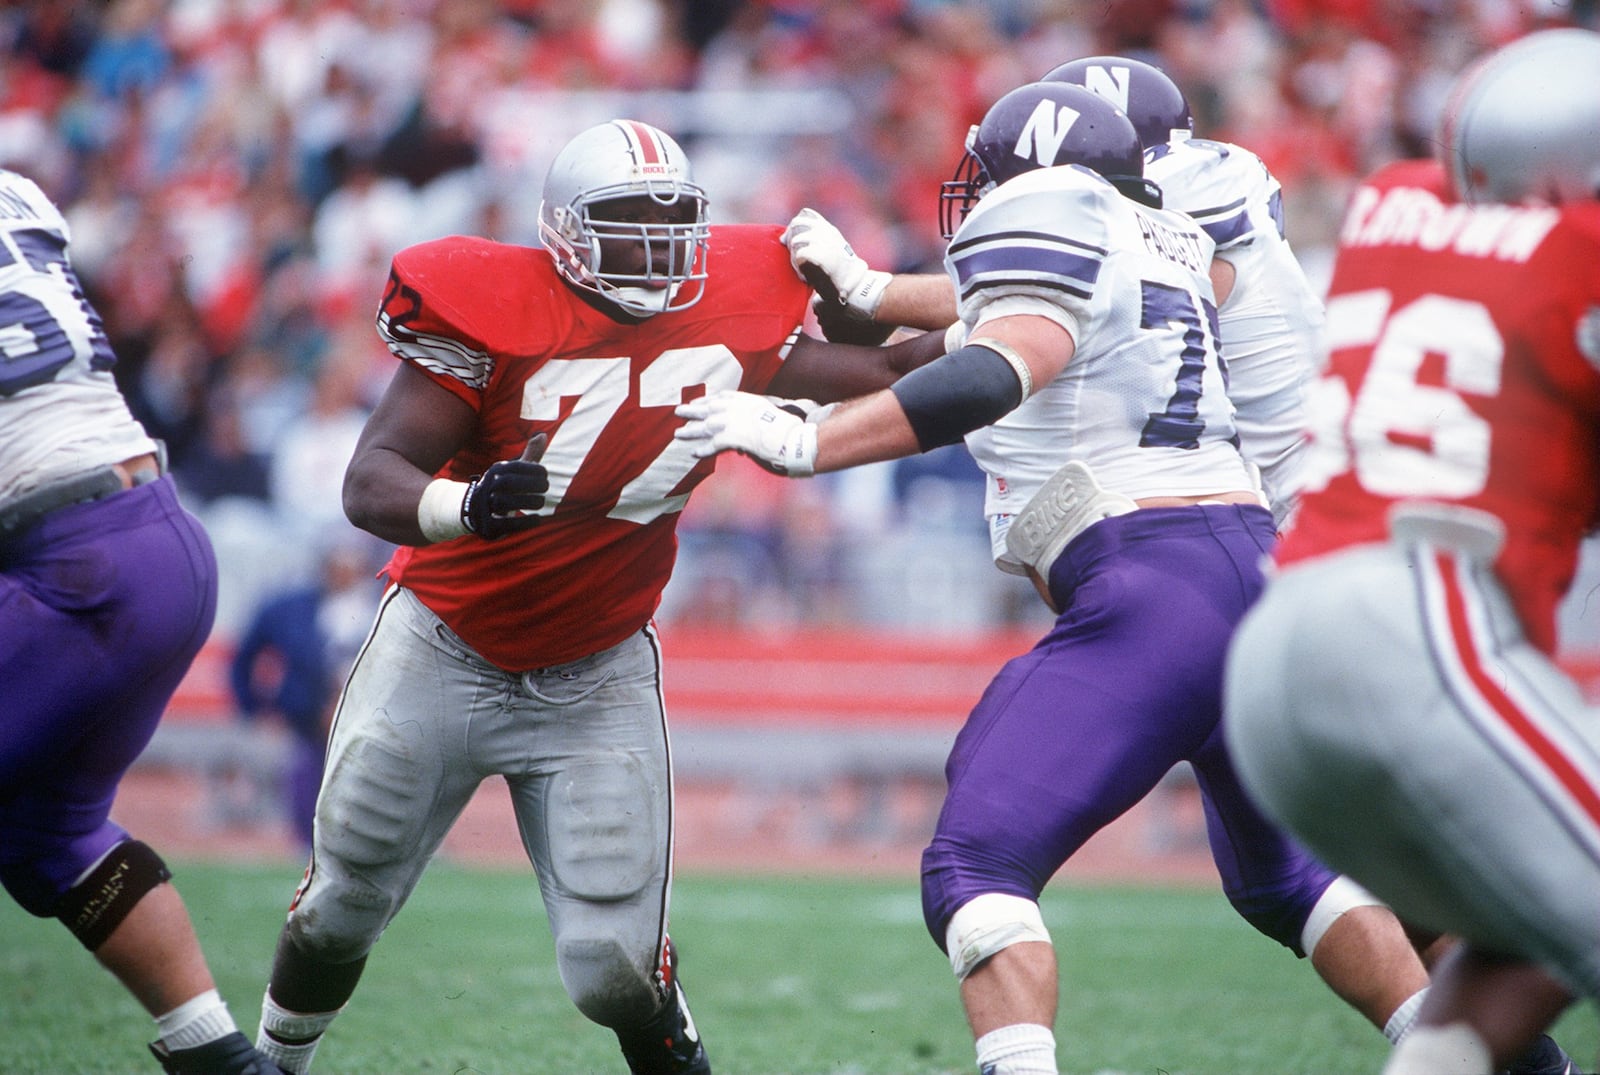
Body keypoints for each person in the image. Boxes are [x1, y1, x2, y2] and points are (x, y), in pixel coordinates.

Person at [676, 81, 1437, 1075]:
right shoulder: (1167, 241)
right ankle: (1508, 1061)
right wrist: (844, 306)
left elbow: (1001, 363)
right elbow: (938, 341)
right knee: (1285, 882)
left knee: (976, 862)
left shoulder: (1048, 213)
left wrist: (802, 444)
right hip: (1248, 573)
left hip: (1150, 585)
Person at [250, 117, 948, 1075]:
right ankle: (273, 1061)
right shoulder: (493, 304)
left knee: (613, 968)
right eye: (629, 225)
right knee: (340, 902)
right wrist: (467, 503)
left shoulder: (732, 301)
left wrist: (863, 295)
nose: (657, 249)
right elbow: (373, 478)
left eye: (675, 224)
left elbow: (892, 373)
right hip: (444, 642)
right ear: (567, 232)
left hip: (599, 663)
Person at [1222, 27, 1600, 1075]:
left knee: (1519, 944)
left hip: (1278, 653)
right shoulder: (1578, 249)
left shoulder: (1394, 203)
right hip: (1415, 623)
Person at [0, 168, 283, 1075]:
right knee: (51, 839)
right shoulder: (19, 196)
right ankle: (219, 1057)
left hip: (73, 555)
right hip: (157, 533)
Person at [228, 528, 385, 849]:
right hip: (307, 718)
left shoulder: (382, 603)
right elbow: (245, 655)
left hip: (371, 717)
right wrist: (255, 707)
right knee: (304, 777)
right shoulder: (291, 607)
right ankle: (305, 843)